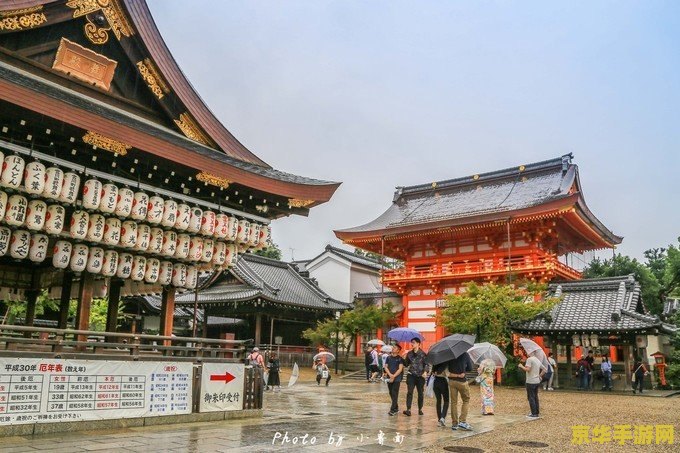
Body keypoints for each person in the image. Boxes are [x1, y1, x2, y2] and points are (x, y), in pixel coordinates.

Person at [447, 351, 473, 431]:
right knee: (466, 400)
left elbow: (447, 368)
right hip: (462, 381)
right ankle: (462, 421)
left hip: (452, 381)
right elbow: (470, 368)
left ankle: (454, 423)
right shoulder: (465, 354)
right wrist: (463, 369)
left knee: (454, 402)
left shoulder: (449, 355)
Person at [403, 337, 428, 416]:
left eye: (413, 342)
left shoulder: (423, 354)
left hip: (420, 376)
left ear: (418, 344)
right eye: (411, 342)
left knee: (420, 393)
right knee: (409, 392)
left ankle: (420, 409)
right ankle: (408, 409)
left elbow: (426, 364)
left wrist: (425, 372)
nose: (412, 344)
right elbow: (406, 364)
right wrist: (404, 356)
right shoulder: (409, 353)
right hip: (411, 375)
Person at [519, 350, 547, 419]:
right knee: (535, 397)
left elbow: (528, 369)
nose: (527, 353)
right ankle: (536, 412)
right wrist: (540, 375)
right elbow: (545, 369)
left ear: (530, 353)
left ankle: (533, 413)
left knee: (531, 397)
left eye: (528, 352)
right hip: (537, 381)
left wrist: (521, 366)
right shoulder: (537, 360)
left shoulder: (529, 359)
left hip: (530, 381)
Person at [383, 343, 405, 416]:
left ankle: (392, 410)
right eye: (393, 347)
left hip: (397, 378)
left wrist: (393, 376)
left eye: (395, 348)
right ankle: (396, 407)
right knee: (391, 393)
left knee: (394, 393)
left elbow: (400, 368)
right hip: (390, 377)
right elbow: (386, 367)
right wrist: (390, 375)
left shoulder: (400, 358)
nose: (393, 348)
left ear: (398, 350)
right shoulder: (388, 358)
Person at [431, 362, 449, 427]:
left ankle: (439, 419)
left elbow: (432, 373)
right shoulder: (445, 363)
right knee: (446, 401)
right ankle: (442, 417)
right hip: (443, 382)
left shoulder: (435, 363)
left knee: (438, 401)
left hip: (436, 382)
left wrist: (435, 373)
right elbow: (447, 373)